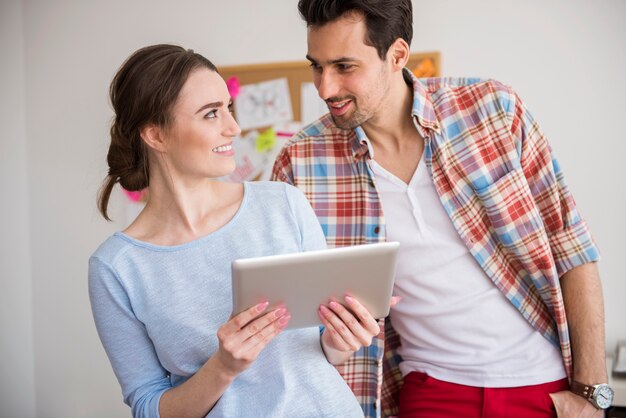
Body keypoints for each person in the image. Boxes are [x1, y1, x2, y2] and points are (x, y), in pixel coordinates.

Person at [271, 1, 612, 417]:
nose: (325, 89)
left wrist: (592, 395)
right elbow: (292, 313)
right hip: (427, 390)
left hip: (542, 387)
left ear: (396, 55)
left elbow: (571, 248)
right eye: (316, 66)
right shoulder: (301, 162)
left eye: (344, 66)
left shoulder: (493, 112)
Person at [88, 43, 382, 418]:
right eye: (211, 114)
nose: (233, 127)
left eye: (229, 107)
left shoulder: (284, 204)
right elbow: (147, 406)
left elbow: (318, 354)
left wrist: (341, 339)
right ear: (156, 135)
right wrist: (222, 367)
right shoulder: (116, 267)